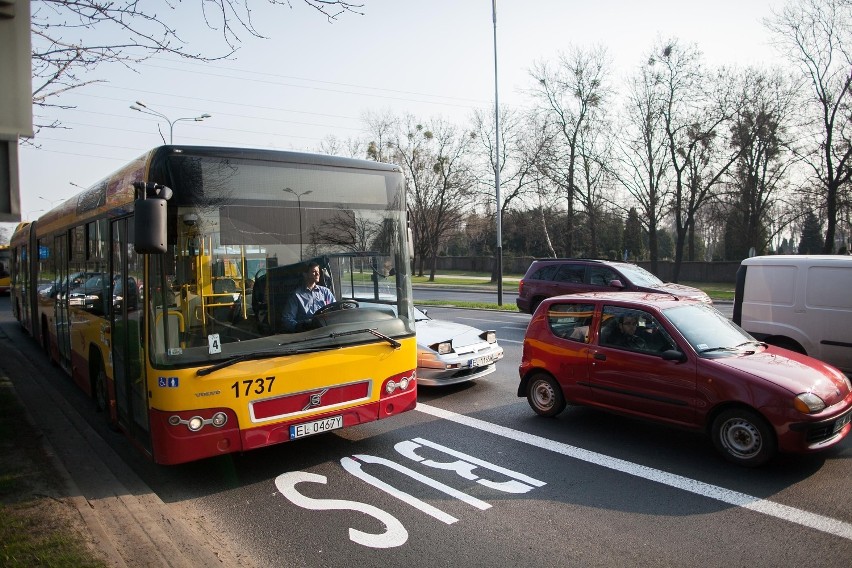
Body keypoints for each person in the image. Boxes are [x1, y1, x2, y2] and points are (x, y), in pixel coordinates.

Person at [282, 262, 335, 332]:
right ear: (305, 274)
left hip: (326, 331)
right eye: (314, 271)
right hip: (307, 334)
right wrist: (301, 327)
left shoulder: (326, 292)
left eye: (318, 271)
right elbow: (287, 319)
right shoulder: (296, 295)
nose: (317, 274)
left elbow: (335, 310)